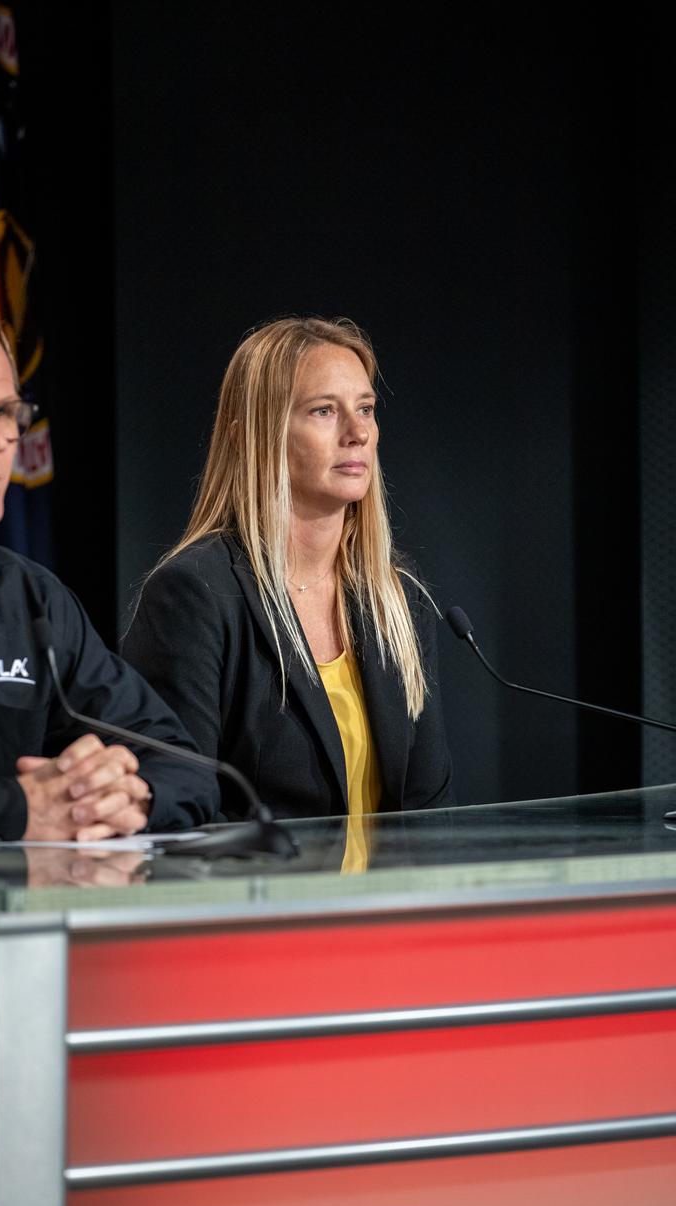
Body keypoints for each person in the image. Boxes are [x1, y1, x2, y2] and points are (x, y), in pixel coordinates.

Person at [0, 287, 218, 843]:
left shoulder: (29, 598)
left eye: (6, 412)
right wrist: (17, 809)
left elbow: (185, 765)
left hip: (8, 924)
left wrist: (127, 796)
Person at [122, 316, 454, 833]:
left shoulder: (398, 602)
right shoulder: (196, 595)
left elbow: (431, 807)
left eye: (365, 408)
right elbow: (177, 810)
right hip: (259, 907)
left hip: (385, 911)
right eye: (324, 411)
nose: (358, 432)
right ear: (252, 437)